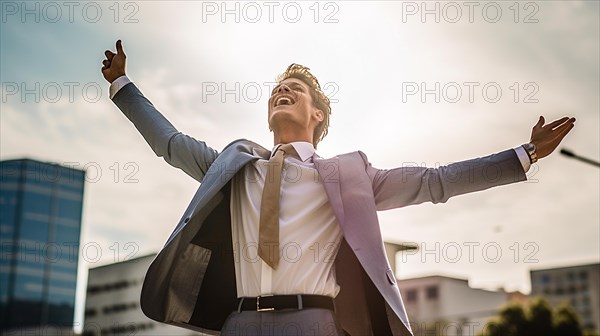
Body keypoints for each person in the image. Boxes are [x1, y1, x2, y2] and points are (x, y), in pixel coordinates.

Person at [101, 40, 575, 336]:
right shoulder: (235, 165)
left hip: (315, 322)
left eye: (295, 89)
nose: (281, 92)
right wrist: (122, 83)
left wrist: (523, 154)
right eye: (276, 89)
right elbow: (168, 143)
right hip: (239, 322)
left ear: (318, 114)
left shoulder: (352, 177)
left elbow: (436, 182)